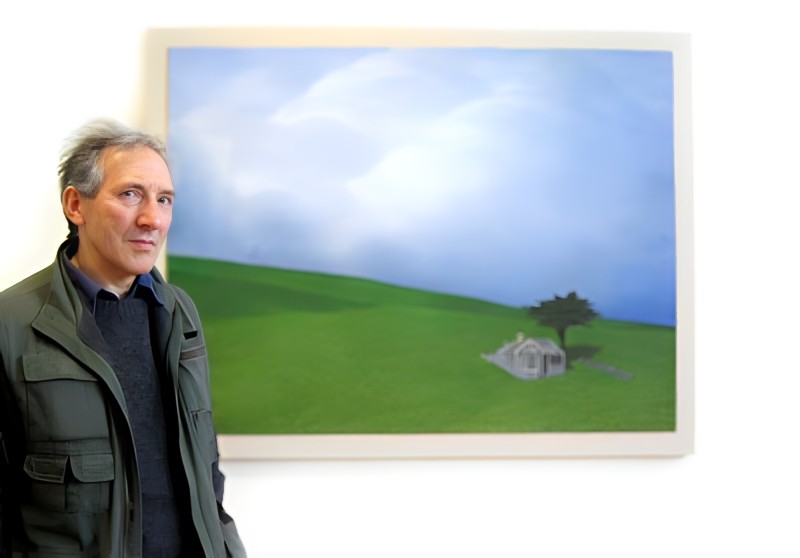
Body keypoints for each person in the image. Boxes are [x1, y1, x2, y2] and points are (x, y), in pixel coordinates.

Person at [0, 118, 247, 557]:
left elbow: (206, 471)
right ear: (76, 205)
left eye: (164, 199)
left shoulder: (179, 311)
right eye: (130, 194)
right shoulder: (11, 322)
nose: (152, 218)